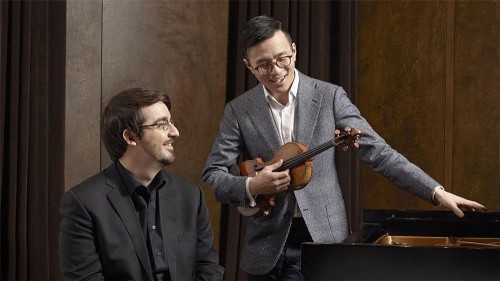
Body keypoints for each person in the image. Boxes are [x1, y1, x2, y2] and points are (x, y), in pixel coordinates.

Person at [201, 15, 487, 281]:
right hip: (265, 250)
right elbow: (213, 173)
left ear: (294, 50)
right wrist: (253, 186)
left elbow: (379, 153)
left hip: (325, 243)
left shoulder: (330, 96)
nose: (276, 70)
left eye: (282, 58)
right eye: (263, 64)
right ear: (248, 65)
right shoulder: (238, 110)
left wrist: (436, 191)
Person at [59, 88, 224, 281]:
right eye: (162, 124)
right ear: (130, 137)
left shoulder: (191, 195)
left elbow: (208, 268)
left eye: (171, 122)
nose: (175, 132)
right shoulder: (83, 203)